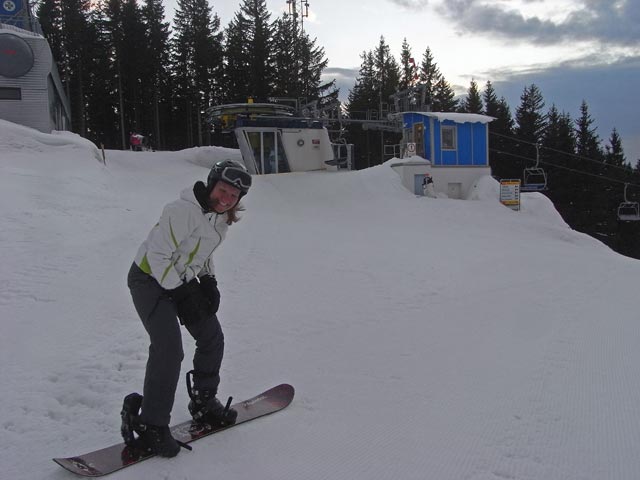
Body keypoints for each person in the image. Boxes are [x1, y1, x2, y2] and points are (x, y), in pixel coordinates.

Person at [124, 159, 252, 457]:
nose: (227, 199)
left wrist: (208, 280)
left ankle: (204, 402)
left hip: (180, 279)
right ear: (211, 184)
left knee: (212, 337)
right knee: (168, 349)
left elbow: (203, 253)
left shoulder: (220, 219)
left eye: (234, 196)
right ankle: (150, 426)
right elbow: (158, 256)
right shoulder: (181, 211)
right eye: (223, 190)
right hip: (148, 279)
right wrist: (181, 293)